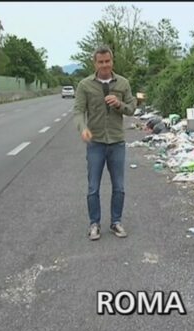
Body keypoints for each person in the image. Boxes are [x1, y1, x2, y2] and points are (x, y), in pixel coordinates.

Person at [73, 46, 137, 241]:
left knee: (119, 186)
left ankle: (116, 222)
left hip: (117, 142)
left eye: (107, 61)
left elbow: (132, 108)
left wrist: (119, 104)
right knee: (93, 186)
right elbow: (78, 111)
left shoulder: (123, 83)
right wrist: (83, 128)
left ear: (112, 61)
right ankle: (94, 224)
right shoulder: (85, 85)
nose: (104, 65)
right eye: (100, 62)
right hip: (96, 143)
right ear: (95, 63)